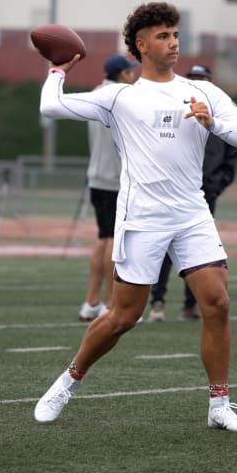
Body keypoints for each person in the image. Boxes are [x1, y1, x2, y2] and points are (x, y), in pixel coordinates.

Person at [34, 1, 237, 431]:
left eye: (175, 35)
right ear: (140, 45)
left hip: (192, 213)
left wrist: (212, 122)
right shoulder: (119, 96)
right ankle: (69, 379)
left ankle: (219, 405)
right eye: (163, 36)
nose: (173, 43)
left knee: (217, 303)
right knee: (125, 316)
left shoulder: (204, 91)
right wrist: (57, 68)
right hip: (142, 217)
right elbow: (51, 107)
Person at [148, 64, 237, 322]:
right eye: (194, 78)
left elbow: (232, 154)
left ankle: (190, 304)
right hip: (172, 193)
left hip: (204, 194)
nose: (198, 83)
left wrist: (216, 183)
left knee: (198, 252)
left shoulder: (222, 114)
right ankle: (158, 301)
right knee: (166, 247)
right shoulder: (173, 110)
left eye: (203, 79)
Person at [78, 53, 140, 322]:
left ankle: (90, 302)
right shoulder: (122, 97)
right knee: (115, 241)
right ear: (122, 74)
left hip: (97, 177)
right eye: (130, 71)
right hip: (117, 179)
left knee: (103, 238)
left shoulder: (94, 93)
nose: (134, 75)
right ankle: (109, 303)